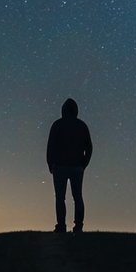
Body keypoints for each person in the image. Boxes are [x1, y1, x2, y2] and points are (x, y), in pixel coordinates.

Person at [46, 98, 93, 233]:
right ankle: (78, 226)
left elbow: (50, 146)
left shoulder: (57, 125)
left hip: (61, 166)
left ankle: (61, 225)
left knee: (61, 197)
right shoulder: (81, 125)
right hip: (76, 167)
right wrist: (84, 163)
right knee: (77, 196)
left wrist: (50, 163)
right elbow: (89, 147)